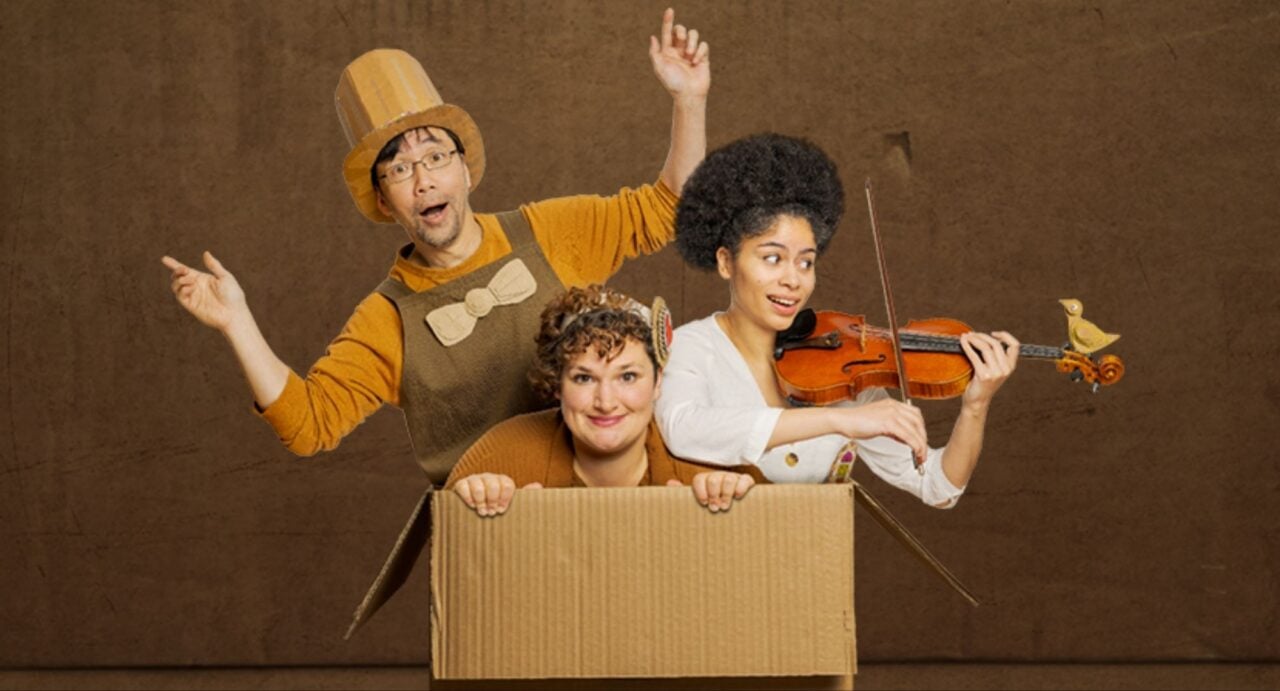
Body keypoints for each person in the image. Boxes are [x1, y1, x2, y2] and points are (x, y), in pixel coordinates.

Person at [161, 9, 710, 484]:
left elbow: (668, 208)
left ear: (466, 171)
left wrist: (689, 101)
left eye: (435, 157)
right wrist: (238, 323)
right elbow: (309, 425)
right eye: (399, 168)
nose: (422, 179)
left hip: (606, 501)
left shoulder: (548, 230)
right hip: (489, 536)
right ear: (383, 200)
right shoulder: (386, 319)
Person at [654, 134, 1019, 508]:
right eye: (772, 258)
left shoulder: (841, 370)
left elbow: (938, 488)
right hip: (712, 554)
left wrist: (975, 407)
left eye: (806, 262)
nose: (793, 280)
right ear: (726, 262)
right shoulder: (692, 346)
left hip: (814, 553)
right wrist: (839, 422)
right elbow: (683, 428)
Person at [447, 285, 759, 516]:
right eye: (584, 378)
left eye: (627, 377)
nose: (606, 402)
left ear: (658, 382)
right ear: (557, 384)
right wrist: (473, 507)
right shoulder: (503, 454)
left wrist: (742, 509)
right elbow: (449, 557)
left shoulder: (714, 456)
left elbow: (788, 545)